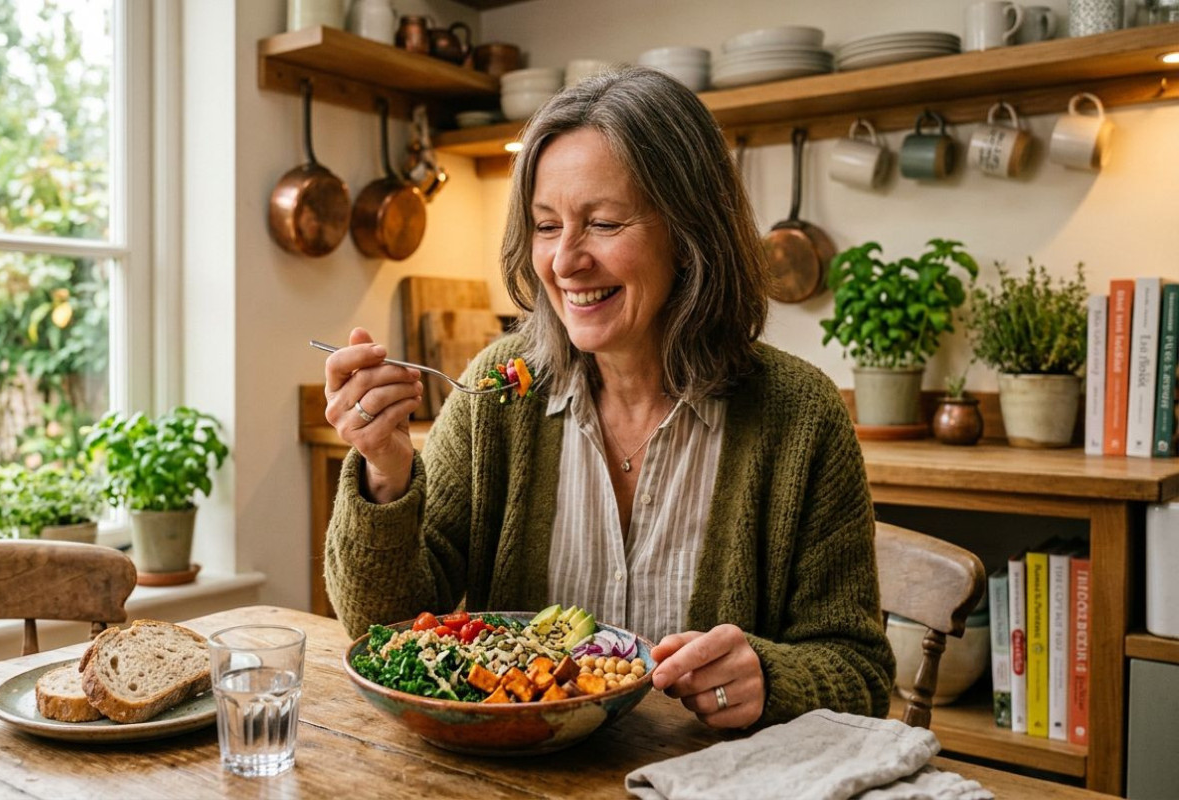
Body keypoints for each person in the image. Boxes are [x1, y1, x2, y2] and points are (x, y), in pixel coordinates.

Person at [320, 65, 893, 730]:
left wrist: (768, 676)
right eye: (545, 225)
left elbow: (861, 675)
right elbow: (382, 626)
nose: (564, 261)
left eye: (603, 222)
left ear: (689, 234)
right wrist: (387, 471)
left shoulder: (800, 416)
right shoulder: (498, 391)